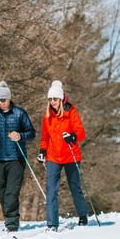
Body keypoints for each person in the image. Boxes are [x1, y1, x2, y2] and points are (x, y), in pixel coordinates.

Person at [0, 81, 36, 232]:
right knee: (0, 190)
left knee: (11, 192)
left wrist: (20, 136)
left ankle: (11, 224)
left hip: (16, 159)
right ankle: (10, 217)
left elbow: (31, 133)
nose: (0, 103)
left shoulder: (19, 113)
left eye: (3, 100)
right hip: (0, 158)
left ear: (9, 99)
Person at [37, 80, 89, 231]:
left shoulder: (71, 112)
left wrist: (72, 137)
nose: (52, 102)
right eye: (50, 99)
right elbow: (45, 137)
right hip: (53, 156)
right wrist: (42, 151)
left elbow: (81, 132)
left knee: (75, 187)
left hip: (71, 155)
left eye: (55, 99)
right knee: (51, 189)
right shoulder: (47, 116)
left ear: (60, 99)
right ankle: (52, 224)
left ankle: (83, 215)